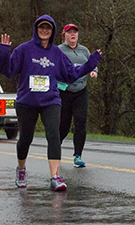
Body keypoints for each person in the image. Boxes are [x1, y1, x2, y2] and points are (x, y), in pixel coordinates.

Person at [0, 15, 102, 191]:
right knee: (25, 139)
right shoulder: (24, 50)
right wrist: (4, 52)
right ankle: (21, 169)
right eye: (41, 27)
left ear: (52, 31)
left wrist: (91, 63)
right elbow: (6, 70)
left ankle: (55, 177)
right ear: (36, 29)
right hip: (27, 102)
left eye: (48, 28)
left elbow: (71, 74)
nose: (44, 30)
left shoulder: (56, 53)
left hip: (50, 100)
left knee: (54, 135)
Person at [58, 24, 98, 168]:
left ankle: (78, 155)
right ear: (64, 35)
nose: (73, 34)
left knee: (80, 123)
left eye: (75, 32)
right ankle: (56, 149)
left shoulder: (84, 50)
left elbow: (92, 64)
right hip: (64, 92)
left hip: (81, 92)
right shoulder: (58, 50)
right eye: (69, 32)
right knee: (64, 125)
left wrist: (94, 71)